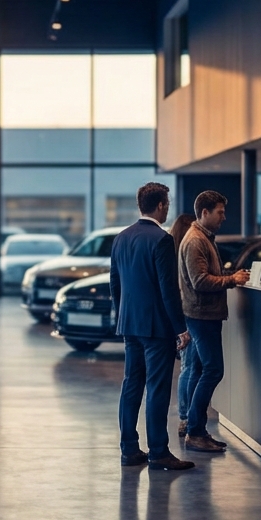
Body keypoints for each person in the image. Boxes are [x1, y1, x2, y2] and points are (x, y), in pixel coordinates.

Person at [110, 182, 195, 471]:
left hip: (129, 325)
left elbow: (115, 284)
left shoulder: (121, 238)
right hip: (156, 328)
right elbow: (167, 290)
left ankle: (129, 450)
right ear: (160, 206)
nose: (167, 209)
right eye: (166, 205)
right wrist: (180, 328)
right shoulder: (161, 239)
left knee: (131, 385)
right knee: (157, 389)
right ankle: (159, 451)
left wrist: (122, 316)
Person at [177, 190, 250, 453]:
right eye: (219, 212)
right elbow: (200, 281)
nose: (224, 217)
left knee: (199, 371)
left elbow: (207, 274)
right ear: (204, 212)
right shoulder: (196, 240)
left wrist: (231, 275)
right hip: (201, 315)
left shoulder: (203, 237)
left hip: (201, 315)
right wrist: (232, 280)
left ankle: (195, 428)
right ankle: (196, 431)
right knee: (213, 371)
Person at [168, 214, 201, 436]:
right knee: (190, 367)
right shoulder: (187, 253)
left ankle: (187, 416)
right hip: (188, 315)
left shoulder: (170, 253)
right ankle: (185, 417)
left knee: (189, 367)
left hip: (180, 316)